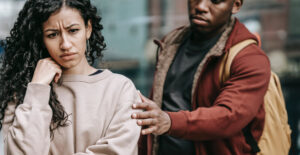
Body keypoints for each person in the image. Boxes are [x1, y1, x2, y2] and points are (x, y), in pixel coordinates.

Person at [0, 0, 141, 154]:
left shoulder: (120, 89)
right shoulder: (24, 92)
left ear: (88, 28)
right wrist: (38, 88)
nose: (65, 44)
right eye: (52, 34)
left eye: (73, 31)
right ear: (41, 39)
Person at [132, 0, 271, 154]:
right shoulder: (171, 43)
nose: (200, 7)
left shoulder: (249, 58)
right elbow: (156, 113)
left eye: (216, 1)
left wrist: (170, 122)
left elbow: (228, 116)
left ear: (236, 5)